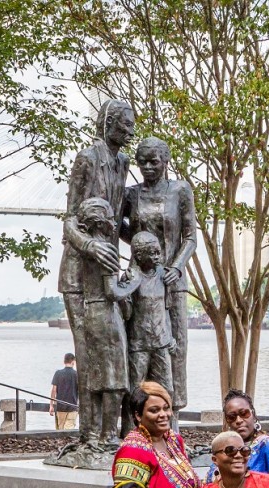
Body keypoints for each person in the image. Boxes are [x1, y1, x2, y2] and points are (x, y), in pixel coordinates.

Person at [61, 100, 133, 443]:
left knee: (113, 357)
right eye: (125, 124)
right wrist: (89, 245)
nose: (130, 131)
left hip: (108, 271)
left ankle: (111, 435)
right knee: (88, 355)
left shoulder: (123, 162)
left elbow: (120, 221)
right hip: (79, 274)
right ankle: (89, 435)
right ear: (108, 123)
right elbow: (70, 219)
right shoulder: (88, 159)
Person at [121, 137, 198, 411]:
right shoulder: (131, 194)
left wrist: (175, 267)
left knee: (173, 353)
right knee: (138, 354)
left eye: (154, 161)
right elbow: (117, 226)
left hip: (173, 282)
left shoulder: (180, 190)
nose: (147, 167)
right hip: (140, 284)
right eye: (142, 162)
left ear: (166, 161)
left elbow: (190, 237)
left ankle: (172, 421)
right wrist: (143, 251)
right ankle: (135, 422)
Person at [75, 197, 129, 445]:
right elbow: (113, 292)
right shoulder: (106, 249)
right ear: (102, 221)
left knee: (97, 377)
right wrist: (131, 282)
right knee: (114, 380)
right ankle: (109, 434)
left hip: (91, 313)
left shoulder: (87, 250)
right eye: (110, 218)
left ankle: (96, 432)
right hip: (107, 314)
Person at [116, 232, 176, 402]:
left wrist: (170, 336)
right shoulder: (131, 277)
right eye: (152, 253)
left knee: (167, 391)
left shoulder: (163, 275)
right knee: (135, 394)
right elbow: (127, 314)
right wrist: (124, 291)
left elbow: (166, 309)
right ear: (139, 255)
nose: (157, 256)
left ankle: (167, 429)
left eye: (158, 252)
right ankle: (132, 429)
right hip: (138, 344)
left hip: (161, 343)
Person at [49, 353, 79, 430]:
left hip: (60, 406)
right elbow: (80, 391)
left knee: (60, 429)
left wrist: (51, 405)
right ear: (73, 361)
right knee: (69, 429)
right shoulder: (76, 374)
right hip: (73, 406)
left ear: (64, 361)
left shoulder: (58, 373)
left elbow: (54, 390)